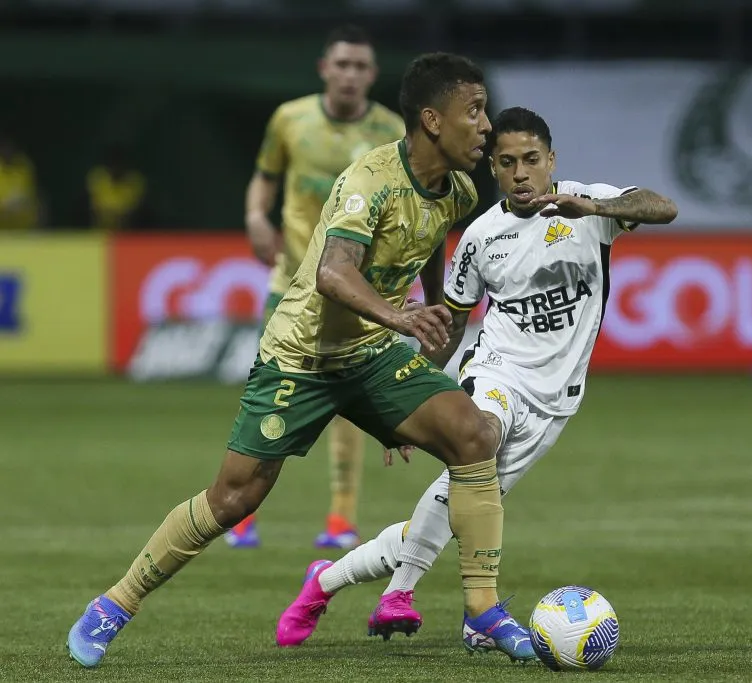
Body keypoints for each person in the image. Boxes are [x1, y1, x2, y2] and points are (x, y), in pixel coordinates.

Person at [67, 52, 532, 669]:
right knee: (235, 498)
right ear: (432, 120)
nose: (485, 125)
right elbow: (333, 273)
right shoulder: (371, 180)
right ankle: (113, 605)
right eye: (472, 111)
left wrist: (416, 392)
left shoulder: (459, 192)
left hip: (372, 358)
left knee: (472, 434)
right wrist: (399, 320)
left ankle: (483, 608)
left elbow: (428, 270)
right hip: (301, 357)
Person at [274, 106, 677, 657]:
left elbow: (664, 208)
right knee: (479, 439)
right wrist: (415, 400)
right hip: (495, 377)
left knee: (452, 511)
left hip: (556, 402)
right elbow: (450, 327)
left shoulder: (591, 206)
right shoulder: (481, 237)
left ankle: (328, 582)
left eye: (532, 160)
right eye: (507, 162)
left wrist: (597, 206)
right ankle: (439, 602)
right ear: (494, 169)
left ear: (551, 160)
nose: (521, 173)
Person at [234, 24, 406, 550]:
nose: (350, 75)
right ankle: (239, 513)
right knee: (267, 397)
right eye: (342, 65)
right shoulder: (290, 119)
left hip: (351, 289)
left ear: (372, 75)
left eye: (361, 67)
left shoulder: (392, 131)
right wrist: (256, 216)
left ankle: (340, 519)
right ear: (324, 69)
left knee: (346, 402)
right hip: (290, 282)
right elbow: (266, 174)